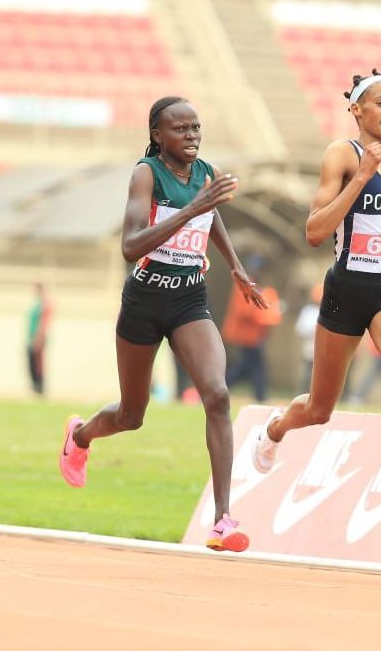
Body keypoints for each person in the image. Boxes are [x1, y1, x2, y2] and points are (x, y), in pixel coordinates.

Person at [251, 69, 381, 541]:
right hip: (347, 290)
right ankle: (276, 428)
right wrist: (361, 175)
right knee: (320, 408)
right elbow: (315, 230)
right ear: (357, 110)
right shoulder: (341, 155)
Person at [59, 96, 268, 553]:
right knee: (132, 416)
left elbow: (212, 218)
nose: (191, 135)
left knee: (217, 394)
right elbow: (130, 247)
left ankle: (222, 520)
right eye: (180, 129)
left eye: (196, 127)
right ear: (158, 135)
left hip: (189, 299)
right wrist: (191, 210)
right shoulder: (145, 174)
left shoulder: (205, 174)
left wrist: (234, 266)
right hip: (144, 301)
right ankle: (79, 436)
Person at [222, 258, 282, 402]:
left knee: (247, 365)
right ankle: (259, 396)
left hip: (256, 336)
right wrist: (265, 314)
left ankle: (222, 389)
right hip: (246, 335)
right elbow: (244, 311)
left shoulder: (262, 287)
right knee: (253, 366)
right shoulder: (243, 286)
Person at [294, 282, 323, 392]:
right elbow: (300, 329)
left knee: (321, 378)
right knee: (306, 376)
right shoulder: (308, 311)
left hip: (324, 351)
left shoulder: (330, 311)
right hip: (309, 349)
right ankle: (300, 395)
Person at [26, 283, 53, 396]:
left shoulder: (45, 304)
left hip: (39, 337)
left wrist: (39, 338)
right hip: (32, 337)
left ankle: (39, 388)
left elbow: (43, 323)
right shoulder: (37, 303)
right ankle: (35, 387)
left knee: (38, 363)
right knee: (32, 361)